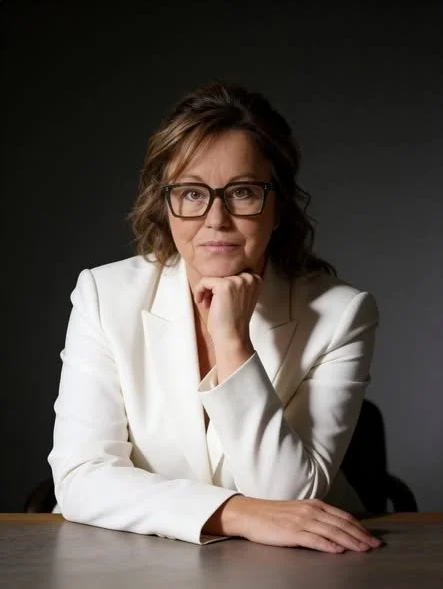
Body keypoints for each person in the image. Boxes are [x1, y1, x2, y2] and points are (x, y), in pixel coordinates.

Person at [48, 82, 382, 553]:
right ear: (165, 204)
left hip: (293, 568)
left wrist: (231, 341)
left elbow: (288, 497)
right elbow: (81, 477)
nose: (216, 219)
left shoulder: (341, 314)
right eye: (191, 193)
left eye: (242, 192)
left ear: (278, 205)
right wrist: (235, 513)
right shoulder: (104, 295)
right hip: (133, 560)